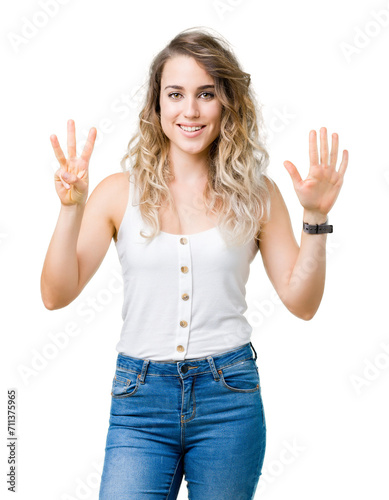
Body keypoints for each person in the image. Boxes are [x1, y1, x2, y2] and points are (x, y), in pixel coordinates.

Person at [41, 27, 348, 500]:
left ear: (226, 103)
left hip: (230, 401)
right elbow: (55, 295)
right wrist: (70, 208)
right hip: (139, 402)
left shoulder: (257, 194)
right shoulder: (116, 193)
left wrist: (315, 218)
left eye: (206, 94)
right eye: (176, 94)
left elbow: (302, 302)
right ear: (156, 105)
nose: (190, 110)